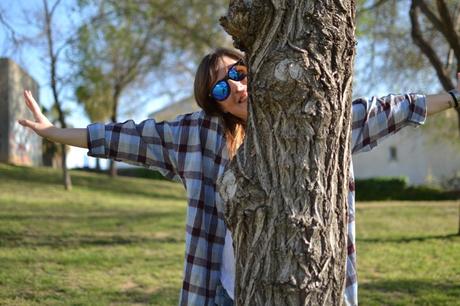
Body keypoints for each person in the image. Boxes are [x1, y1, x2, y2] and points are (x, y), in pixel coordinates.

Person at [19, 47, 459, 306]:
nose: (236, 88)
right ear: (215, 104)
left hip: (313, 285)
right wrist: (54, 132)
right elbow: (120, 138)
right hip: (227, 292)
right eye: (221, 88)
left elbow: (388, 110)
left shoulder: (307, 119)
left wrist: (453, 98)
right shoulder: (196, 136)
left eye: (238, 74)